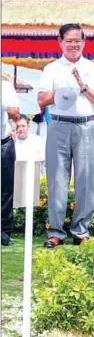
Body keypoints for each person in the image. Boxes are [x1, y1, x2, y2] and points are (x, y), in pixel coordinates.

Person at [37, 23, 94, 248]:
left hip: (87, 126)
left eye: (77, 40)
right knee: (57, 180)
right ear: (60, 42)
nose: (73, 45)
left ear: (84, 42)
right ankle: (56, 232)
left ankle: (81, 230)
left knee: (86, 180)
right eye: (69, 40)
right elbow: (41, 99)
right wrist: (61, 92)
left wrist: (83, 87)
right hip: (59, 125)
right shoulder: (52, 69)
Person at [1, 79, 20, 246]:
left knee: (6, 190)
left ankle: (4, 231)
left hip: (4, 144)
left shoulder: (5, 87)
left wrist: (10, 110)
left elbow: (15, 112)